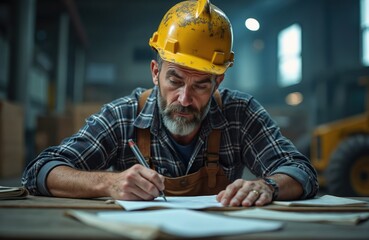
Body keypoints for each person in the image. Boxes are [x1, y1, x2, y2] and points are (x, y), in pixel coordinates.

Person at [22, 0, 319, 207]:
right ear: (155, 72)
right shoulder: (123, 116)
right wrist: (107, 183)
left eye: (201, 85)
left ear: (218, 82)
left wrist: (267, 185)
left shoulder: (240, 114)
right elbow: (41, 170)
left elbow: (300, 171)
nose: (185, 99)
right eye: (174, 80)